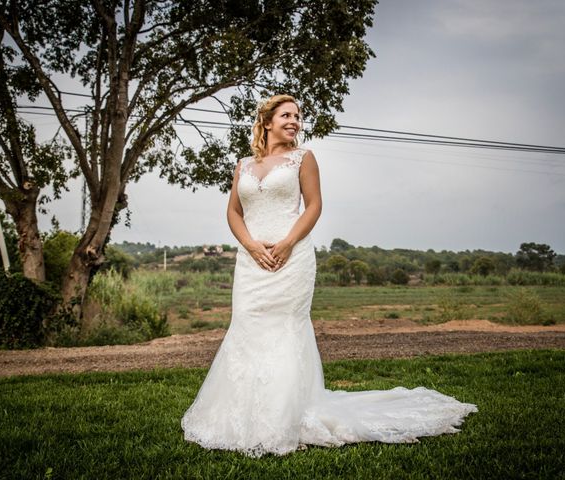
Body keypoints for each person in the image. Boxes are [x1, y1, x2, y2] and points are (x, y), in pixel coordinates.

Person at [181, 94, 477, 457]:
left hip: (292, 257)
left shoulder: (303, 158)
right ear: (267, 121)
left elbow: (315, 205)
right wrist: (251, 246)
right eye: (286, 115)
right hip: (252, 261)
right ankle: (240, 415)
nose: (294, 121)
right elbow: (233, 212)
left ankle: (284, 417)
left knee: (286, 329)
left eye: (298, 116)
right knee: (247, 327)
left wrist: (288, 242)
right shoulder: (242, 165)